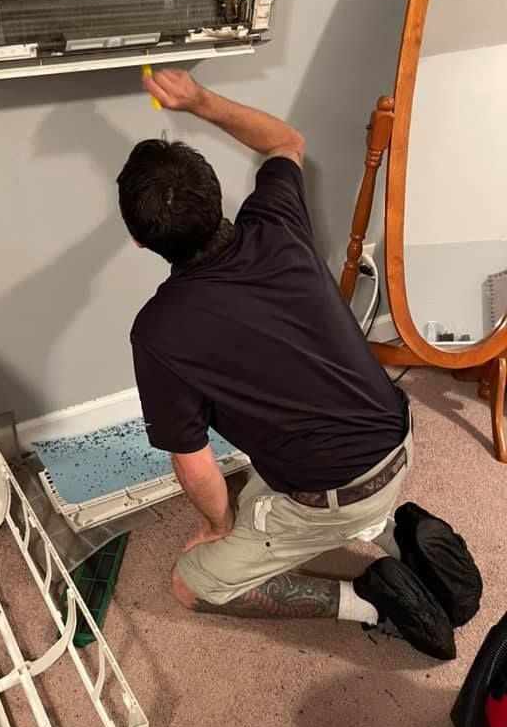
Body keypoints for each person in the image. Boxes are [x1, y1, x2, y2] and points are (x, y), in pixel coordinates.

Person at [116, 68, 482, 660]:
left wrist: (216, 527)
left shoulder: (159, 332)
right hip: (399, 435)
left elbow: (195, 466)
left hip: (332, 492)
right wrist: (198, 99)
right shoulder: (276, 225)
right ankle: (391, 532)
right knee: (269, 477)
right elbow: (286, 141)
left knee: (191, 583)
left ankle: (371, 601)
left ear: (140, 242)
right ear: (217, 200)